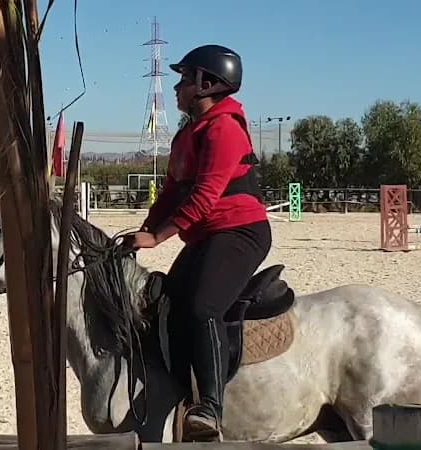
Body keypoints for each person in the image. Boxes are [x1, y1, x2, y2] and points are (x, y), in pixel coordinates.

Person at [129, 44, 272, 442]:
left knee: (202, 306)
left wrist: (159, 237)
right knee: (167, 304)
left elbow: (205, 195)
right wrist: (142, 231)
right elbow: (171, 194)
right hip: (207, 236)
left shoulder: (224, 128)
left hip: (241, 232)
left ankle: (210, 406)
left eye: (184, 79)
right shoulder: (186, 135)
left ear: (206, 84)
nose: (177, 87)